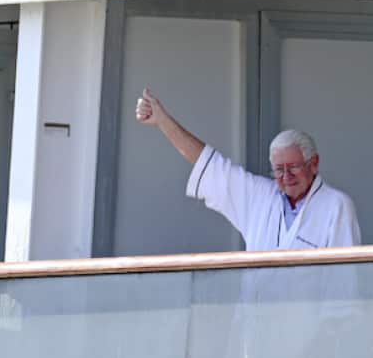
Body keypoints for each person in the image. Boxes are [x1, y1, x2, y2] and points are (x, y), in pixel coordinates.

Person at [135, 88, 361, 250]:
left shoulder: (337, 205)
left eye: (293, 167)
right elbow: (208, 162)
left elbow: (346, 279)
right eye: (278, 169)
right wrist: (162, 121)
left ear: (314, 164)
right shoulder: (259, 196)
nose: (286, 177)